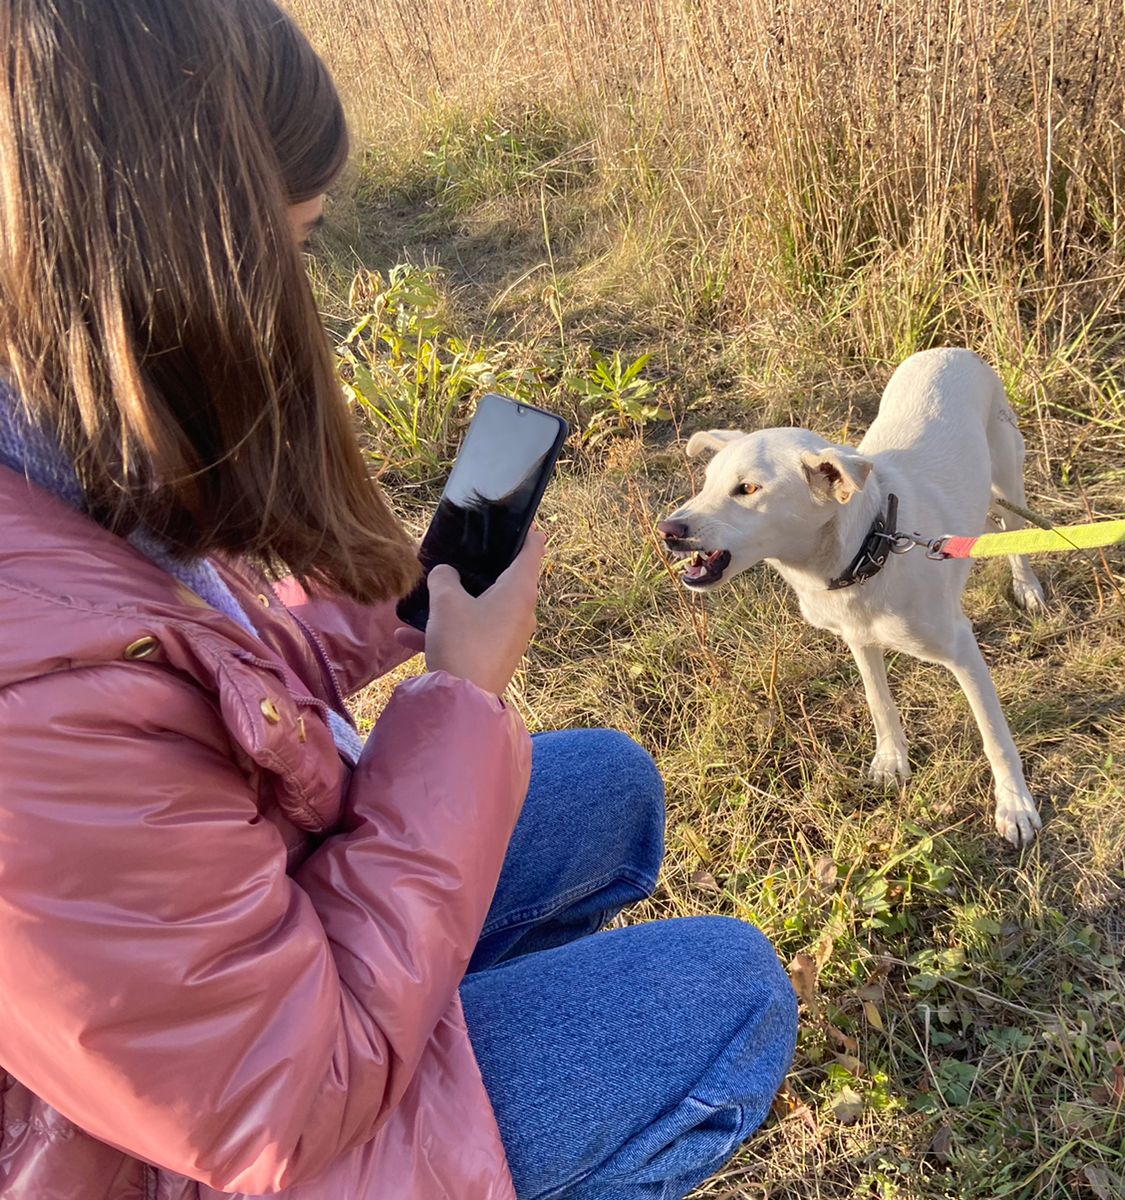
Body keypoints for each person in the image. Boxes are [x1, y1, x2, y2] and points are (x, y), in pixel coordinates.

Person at [0, 2, 797, 1198]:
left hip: (225, 998)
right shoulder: (31, 710)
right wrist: (459, 697)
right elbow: (283, 1103)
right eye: (299, 255)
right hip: (197, 1146)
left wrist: (405, 607)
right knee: (730, 994)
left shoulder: (54, 468)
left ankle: (459, 1025)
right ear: (173, 271)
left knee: (607, 789)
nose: (304, 314)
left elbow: (185, 679)